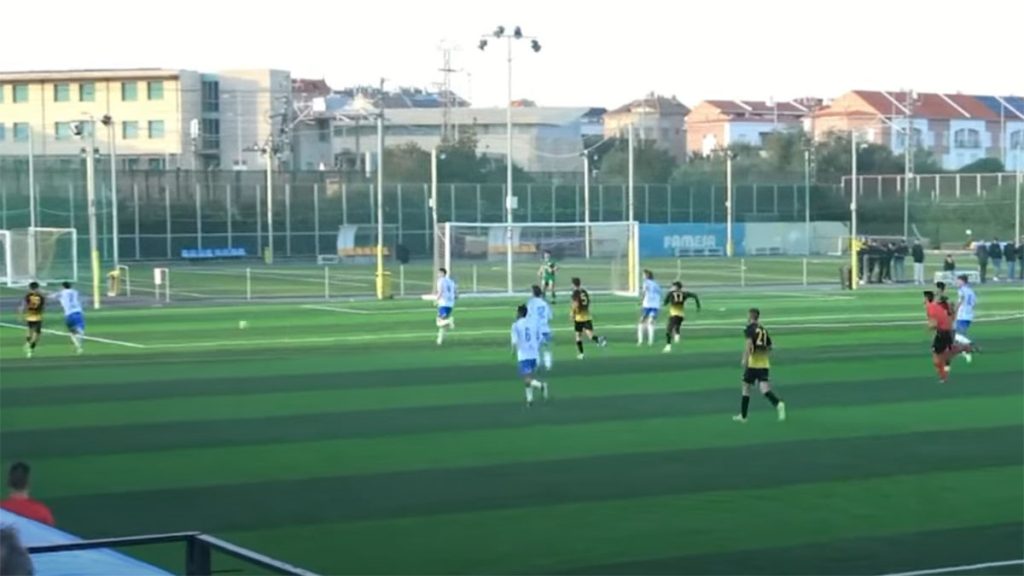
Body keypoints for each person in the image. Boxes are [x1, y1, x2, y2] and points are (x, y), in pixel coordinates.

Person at [734, 308, 786, 423]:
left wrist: (744, 359)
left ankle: (743, 416)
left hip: (753, 364)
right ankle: (778, 404)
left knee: (746, 387)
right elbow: (770, 347)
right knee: (764, 389)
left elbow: (748, 346)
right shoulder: (763, 329)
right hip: (764, 363)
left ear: (751, 316)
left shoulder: (749, 329)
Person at [923, 290, 972, 383]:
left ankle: (943, 376)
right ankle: (962, 349)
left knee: (940, 358)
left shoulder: (935, 309)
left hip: (944, 333)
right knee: (946, 356)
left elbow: (935, 323)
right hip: (947, 333)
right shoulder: (943, 310)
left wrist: (928, 328)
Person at [510, 304, 548, 406]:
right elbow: (541, 338)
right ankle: (529, 400)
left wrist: (513, 352)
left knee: (527, 379)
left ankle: (541, 386)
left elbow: (514, 342)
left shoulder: (515, 325)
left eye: (516, 312)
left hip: (524, 355)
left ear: (520, 313)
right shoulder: (533, 323)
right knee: (528, 378)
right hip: (534, 355)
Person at [570, 277, 607, 359]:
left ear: (573, 284)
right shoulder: (584, 291)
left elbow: (575, 304)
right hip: (587, 316)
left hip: (579, 318)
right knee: (590, 336)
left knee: (578, 336)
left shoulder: (575, 293)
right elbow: (588, 301)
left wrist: (572, 314)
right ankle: (600, 339)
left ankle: (581, 354)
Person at [662, 281, 700, 353]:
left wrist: (666, 299)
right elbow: (695, 295)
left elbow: (665, 303)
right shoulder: (685, 293)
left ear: (676, 287)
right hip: (681, 315)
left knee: (668, 330)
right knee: (677, 326)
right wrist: (698, 306)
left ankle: (668, 346)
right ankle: (677, 337)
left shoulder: (670, 293)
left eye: (672, 286)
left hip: (674, 314)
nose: (671, 288)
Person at [526, 285, 553, 370]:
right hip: (545, 329)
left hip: (536, 329)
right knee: (546, 348)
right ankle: (548, 365)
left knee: (534, 348)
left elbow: (527, 316)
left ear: (533, 293)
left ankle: (536, 365)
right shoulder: (544, 303)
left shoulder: (531, 303)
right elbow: (550, 316)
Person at [56, 281, 85, 355]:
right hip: (78, 313)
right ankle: (79, 345)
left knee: (72, 332)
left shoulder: (61, 293)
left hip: (69, 314)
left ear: (62, 287)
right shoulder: (75, 292)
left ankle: (78, 346)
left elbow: (51, 296)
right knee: (80, 331)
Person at [953, 274, 978, 363]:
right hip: (969, 315)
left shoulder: (961, 290)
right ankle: (964, 352)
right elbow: (974, 303)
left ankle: (971, 345)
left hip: (962, 315)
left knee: (958, 335)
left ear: (963, 282)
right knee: (958, 336)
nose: (956, 283)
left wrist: (954, 310)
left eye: (958, 281)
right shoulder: (971, 291)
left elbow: (961, 300)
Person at [19, 282, 45, 359]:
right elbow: (43, 307)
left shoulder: (27, 296)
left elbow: (22, 306)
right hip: (38, 317)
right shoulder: (41, 296)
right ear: (37, 288)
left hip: (29, 316)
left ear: (30, 288)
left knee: (29, 330)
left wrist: (21, 315)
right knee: (37, 334)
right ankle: (30, 349)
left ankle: (27, 343)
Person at [637, 270, 661, 347]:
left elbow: (644, 292)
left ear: (647, 276)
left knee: (641, 322)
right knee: (651, 322)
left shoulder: (646, 283)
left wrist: (641, 301)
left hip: (647, 305)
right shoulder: (656, 283)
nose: (642, 276)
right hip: (655, 305)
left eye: (643, 275)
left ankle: (640, 341)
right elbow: (659, 293)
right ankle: (650, 341)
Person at [434, 268, 457, 346]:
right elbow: (456, 293)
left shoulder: (441, 281)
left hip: (444, 303)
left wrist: (436, 300)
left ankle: (450, 321)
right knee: (443, 323)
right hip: (450, 304)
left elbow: (440, 291)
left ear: (443, 273)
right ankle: (439, 340)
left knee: (439, 322)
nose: (438, 274)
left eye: (439, 273)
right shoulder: (451, 281)